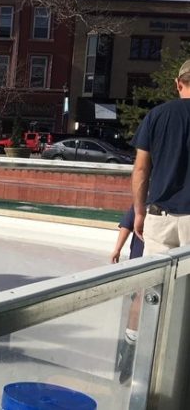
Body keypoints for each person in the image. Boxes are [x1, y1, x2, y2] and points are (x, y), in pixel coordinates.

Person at [131, 58, 190, 252]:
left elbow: (141, 169)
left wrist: (139, 212)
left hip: (160, 218)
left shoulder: (156, 115)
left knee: (157, 281)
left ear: (178, 83)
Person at [110, 205, 145, 385]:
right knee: (137, 303)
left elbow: (127, 224)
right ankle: (129, 348)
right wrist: (117, 248)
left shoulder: (147, 197)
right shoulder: (145, 199)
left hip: (140, 261)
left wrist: (117, 249)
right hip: (139, 261)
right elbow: (127, 224)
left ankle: (129, 348)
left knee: (138, 303)